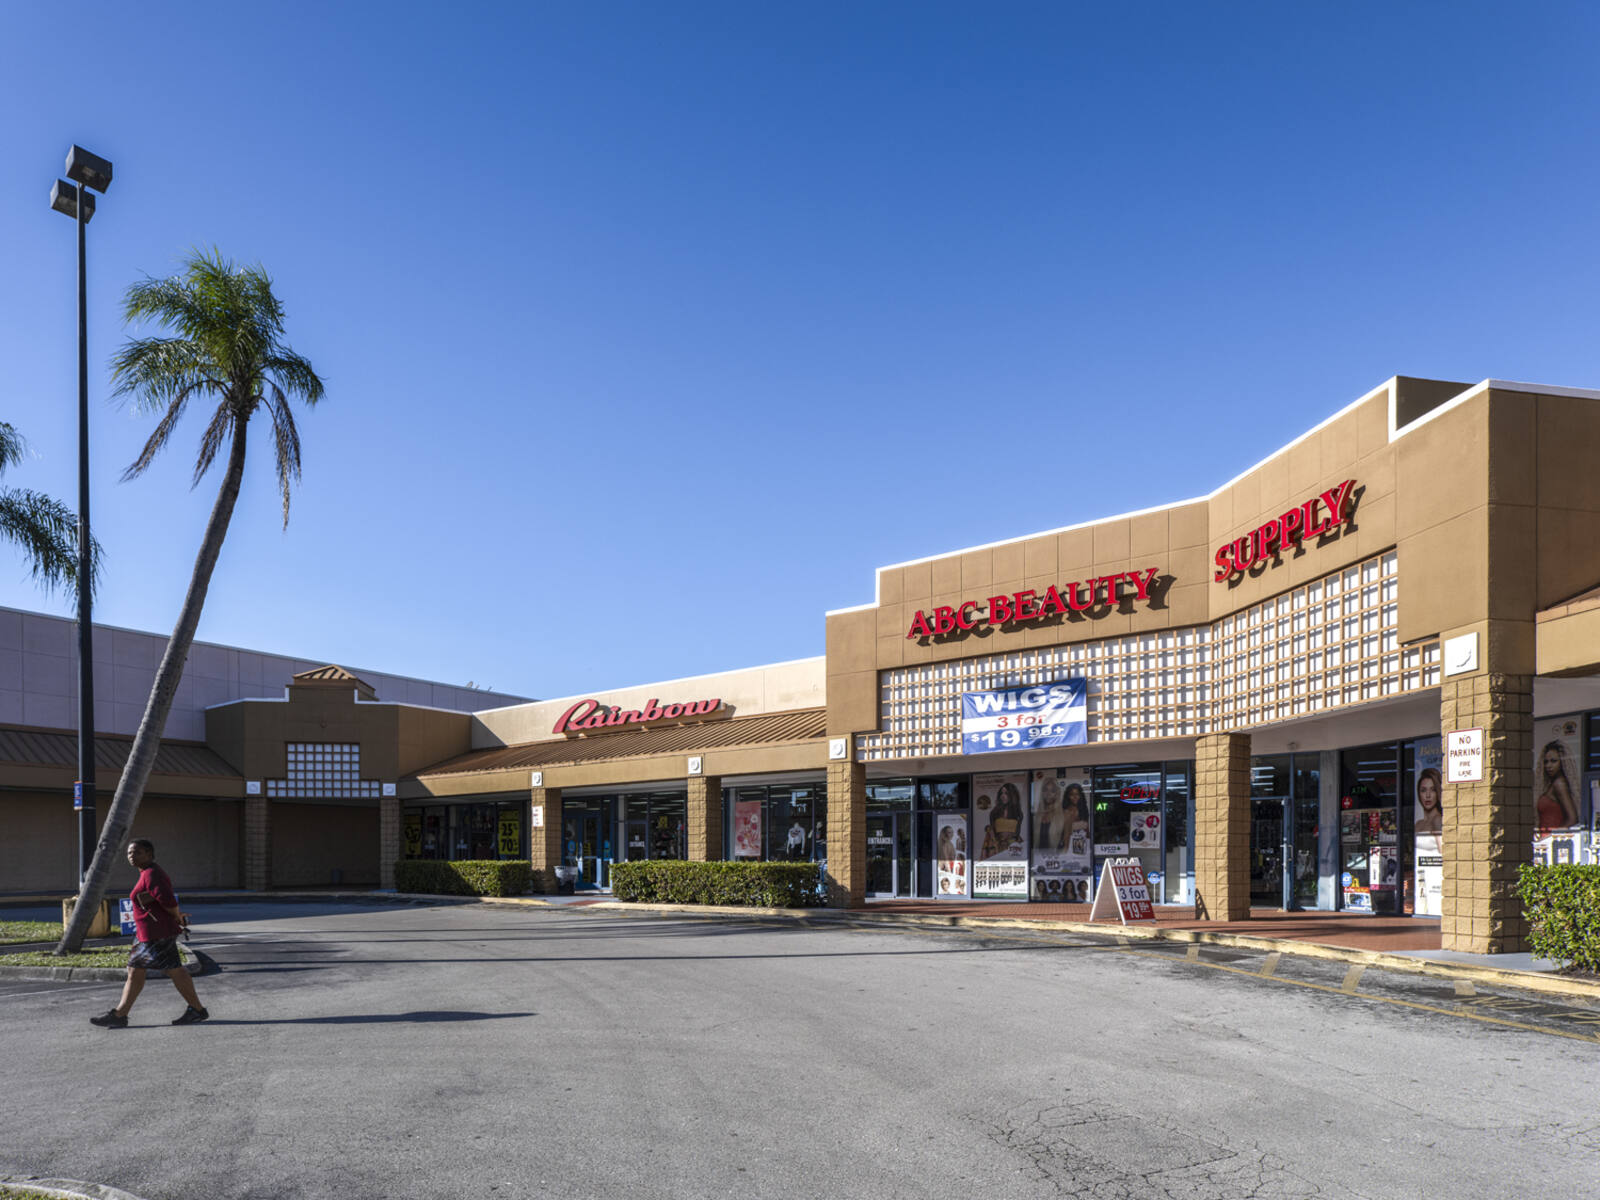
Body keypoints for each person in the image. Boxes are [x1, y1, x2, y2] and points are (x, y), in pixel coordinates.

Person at [90, 839, 207, 1028]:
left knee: (172, 970)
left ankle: (197, 1010)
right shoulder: (147, 873)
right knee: (139, 970)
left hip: (157, 933)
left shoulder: (153, 874)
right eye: (129, 853)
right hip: (149, 933)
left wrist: (177, 917)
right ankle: (121, 1014)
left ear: (149, 855)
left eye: (137, 852)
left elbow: (168, 900)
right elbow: (155, 898)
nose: (131, 856)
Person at [1536, 740, 1579, 833]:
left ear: (1562, 762)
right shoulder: (1552, 784)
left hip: (1550, 840)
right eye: (1546, 762)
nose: (1548, 766)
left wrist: (1553, 835)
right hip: (1544, 839)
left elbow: (1573, 818)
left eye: (1553, 761)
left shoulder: (1559, 784)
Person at [1033, 776, 1067, 851]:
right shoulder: (1036, 816)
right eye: (1045, 790)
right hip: (1038, 859)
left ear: (1057, 793)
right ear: (1042, 792)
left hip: (1056, 859)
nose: (1048, 794)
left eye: (1053, 791)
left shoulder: (1063, 815)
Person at [1414, 767, 1444, 837]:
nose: (1428, 795)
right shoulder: (1418, 824)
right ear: (1419, 793)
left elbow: (1442, 847)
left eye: (1433, 790)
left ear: (1438, 792)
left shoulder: (1438, 820)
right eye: (1423, 790)